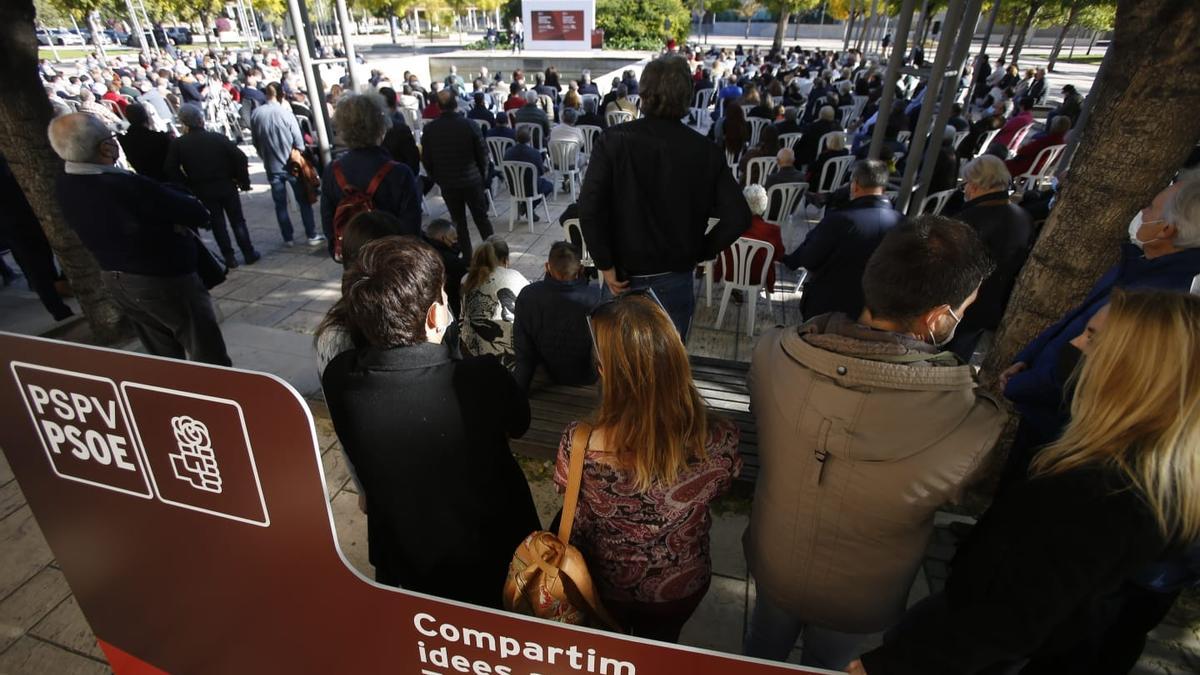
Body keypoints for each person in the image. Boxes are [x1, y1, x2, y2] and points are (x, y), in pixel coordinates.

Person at [852, 289, 1200, 675]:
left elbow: (1009, 624)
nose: (1074, 345)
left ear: (1134, 373)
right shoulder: (1165, 473)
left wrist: (885, 666)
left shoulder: (1089, 495)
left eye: (1093, 338)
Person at [746, 215, 1003, 670]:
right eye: (965, 307)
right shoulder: (974, 419)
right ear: (939, 317)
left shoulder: (772, 352)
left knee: (759, 655)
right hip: (862, 595)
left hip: (773, 559)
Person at [320, 236, 540, 607]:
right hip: (491, 553)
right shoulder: (480, 379)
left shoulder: (341, 378)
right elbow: (519, 422)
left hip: (408, 555)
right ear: (435, 315)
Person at [997, 170, 1200, 490]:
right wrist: (1029, 357)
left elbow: (1091, 367)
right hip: (1042, 404)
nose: (1141, 213)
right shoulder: (1138, 263)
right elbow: (1074, 321)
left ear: (1166, 229)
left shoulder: (1162, 299)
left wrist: (1023, 384)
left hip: (1069, 426)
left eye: (1150, 208)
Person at [555, 292, 741, 642]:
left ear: (605, 373)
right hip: (681, 584)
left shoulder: (578, 442)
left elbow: (566, 491)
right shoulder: (721, 437)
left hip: (599, 584)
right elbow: (720, 488)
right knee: (662, 649)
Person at [580, 54, 750, 339]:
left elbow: (589, 208)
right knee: (667, 373)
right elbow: (739, 216)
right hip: (674, 277)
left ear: (644, 93)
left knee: (616, 369)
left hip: (623, 276)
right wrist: (701, 250)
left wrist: (605, 265)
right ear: (687, 96)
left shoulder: (613, 141)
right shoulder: (704, 150)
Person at [48, 113, 230, 366]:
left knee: (163, 353)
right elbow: (196, 212)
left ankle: (182, 394)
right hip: (162, 279)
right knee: (205, 350)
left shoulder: (66, 182)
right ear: (105, 147)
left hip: (116, 277)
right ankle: (220, 398)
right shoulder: (123, 185)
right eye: (111, 138)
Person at [938, 156, 1034, 361]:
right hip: (991, 305)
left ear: (973, 186)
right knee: (958, 358)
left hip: (956, 308)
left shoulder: (967, 222)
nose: (964, 190)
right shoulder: (1023, 217)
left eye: (965, 185)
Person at [783, 160, 902, 319]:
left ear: (855, 185)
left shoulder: (839, 221)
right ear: (884, 189)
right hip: (879, 315)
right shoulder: (904, 225)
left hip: (829, 312)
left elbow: (808, 259)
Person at [320, 93, 421, 257]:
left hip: (354, 258)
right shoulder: (399, 173)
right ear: (380, 126)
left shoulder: (333, 170)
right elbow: (412, 229)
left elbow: (328, 222)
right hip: (392, 259)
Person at [164, 103, 260, 269]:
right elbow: (240, 158)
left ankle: (229, 257)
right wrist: (242, 180)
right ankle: (248, 252)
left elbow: (170, 168)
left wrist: (187, 184)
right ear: (201, 120)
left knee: (217, 224)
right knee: (237, 220)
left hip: (203, 188)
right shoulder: (217, 138)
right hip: (225, 184)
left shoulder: (180, 144)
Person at [512, 241, 601, 392]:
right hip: (589, 375)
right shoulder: (597, 297)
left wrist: (519, 391)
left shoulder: (528, 296)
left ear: (547, 267)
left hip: (548, 373)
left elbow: (524, 353)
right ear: (581, 269)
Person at [422, 90, 496, 258]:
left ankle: (468, 259)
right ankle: (493, 255)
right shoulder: (469, 125)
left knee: (459, 224)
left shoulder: (431, 129)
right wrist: (483, 177)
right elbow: (483, 155)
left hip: (449, 183)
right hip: (471, 181)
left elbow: (426, 159)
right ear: (456, 104)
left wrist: (437, 178)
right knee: (481, 220)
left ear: (438, 107)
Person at [0, 155, 72, 320]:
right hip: (18, 218)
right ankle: (57, 304)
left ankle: (57, 296)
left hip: (19, 218)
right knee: (37, 263)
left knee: (37, 262)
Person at [251, 82, 321, 246]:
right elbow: (299, 141)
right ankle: (311, 234)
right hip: (291, 164)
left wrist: (264, 154)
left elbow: (255, 141)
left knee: (280, 204)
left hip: (272, 164)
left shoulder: (256, 114)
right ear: (281, 94)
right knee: (303, 200)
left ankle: (288, 237)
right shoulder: (285, 113)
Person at [459, 237, 529, 369]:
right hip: (510, 354)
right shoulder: (514, 276)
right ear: (505, 260)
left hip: (474, 351)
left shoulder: (466, 279)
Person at [714, 185, 785, 292]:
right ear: (764, 206)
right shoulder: (773, 230)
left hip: (730, 273)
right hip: (758, 277)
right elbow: (779, 254)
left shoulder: (727, 226)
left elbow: (718, 248)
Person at [503, 128, 554, 217]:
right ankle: (528, 208)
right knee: (549, 186)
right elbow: (541, 172)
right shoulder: (535, 153)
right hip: (531, 188)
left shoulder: (508, 152)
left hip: (514, 187)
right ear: (530, 138)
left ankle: (526, 208)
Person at [422, 218, 467, 318]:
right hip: (451, 308)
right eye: (454, 239)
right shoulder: (451, 261)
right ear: (443, 238)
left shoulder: (422, 249)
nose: (456, 242)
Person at [118, 103, 171, 182]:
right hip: (168, 180)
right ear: (146, 117)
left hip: (146, 180)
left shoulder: (124, 140)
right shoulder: (160, 138)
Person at [1007, 114, 1070, 178]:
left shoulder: (1047, 140)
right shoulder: (1061, 142)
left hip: (1029, 167)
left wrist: (1022, 148)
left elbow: (1023, 151)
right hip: (1041, 168)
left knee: (1002, 164)